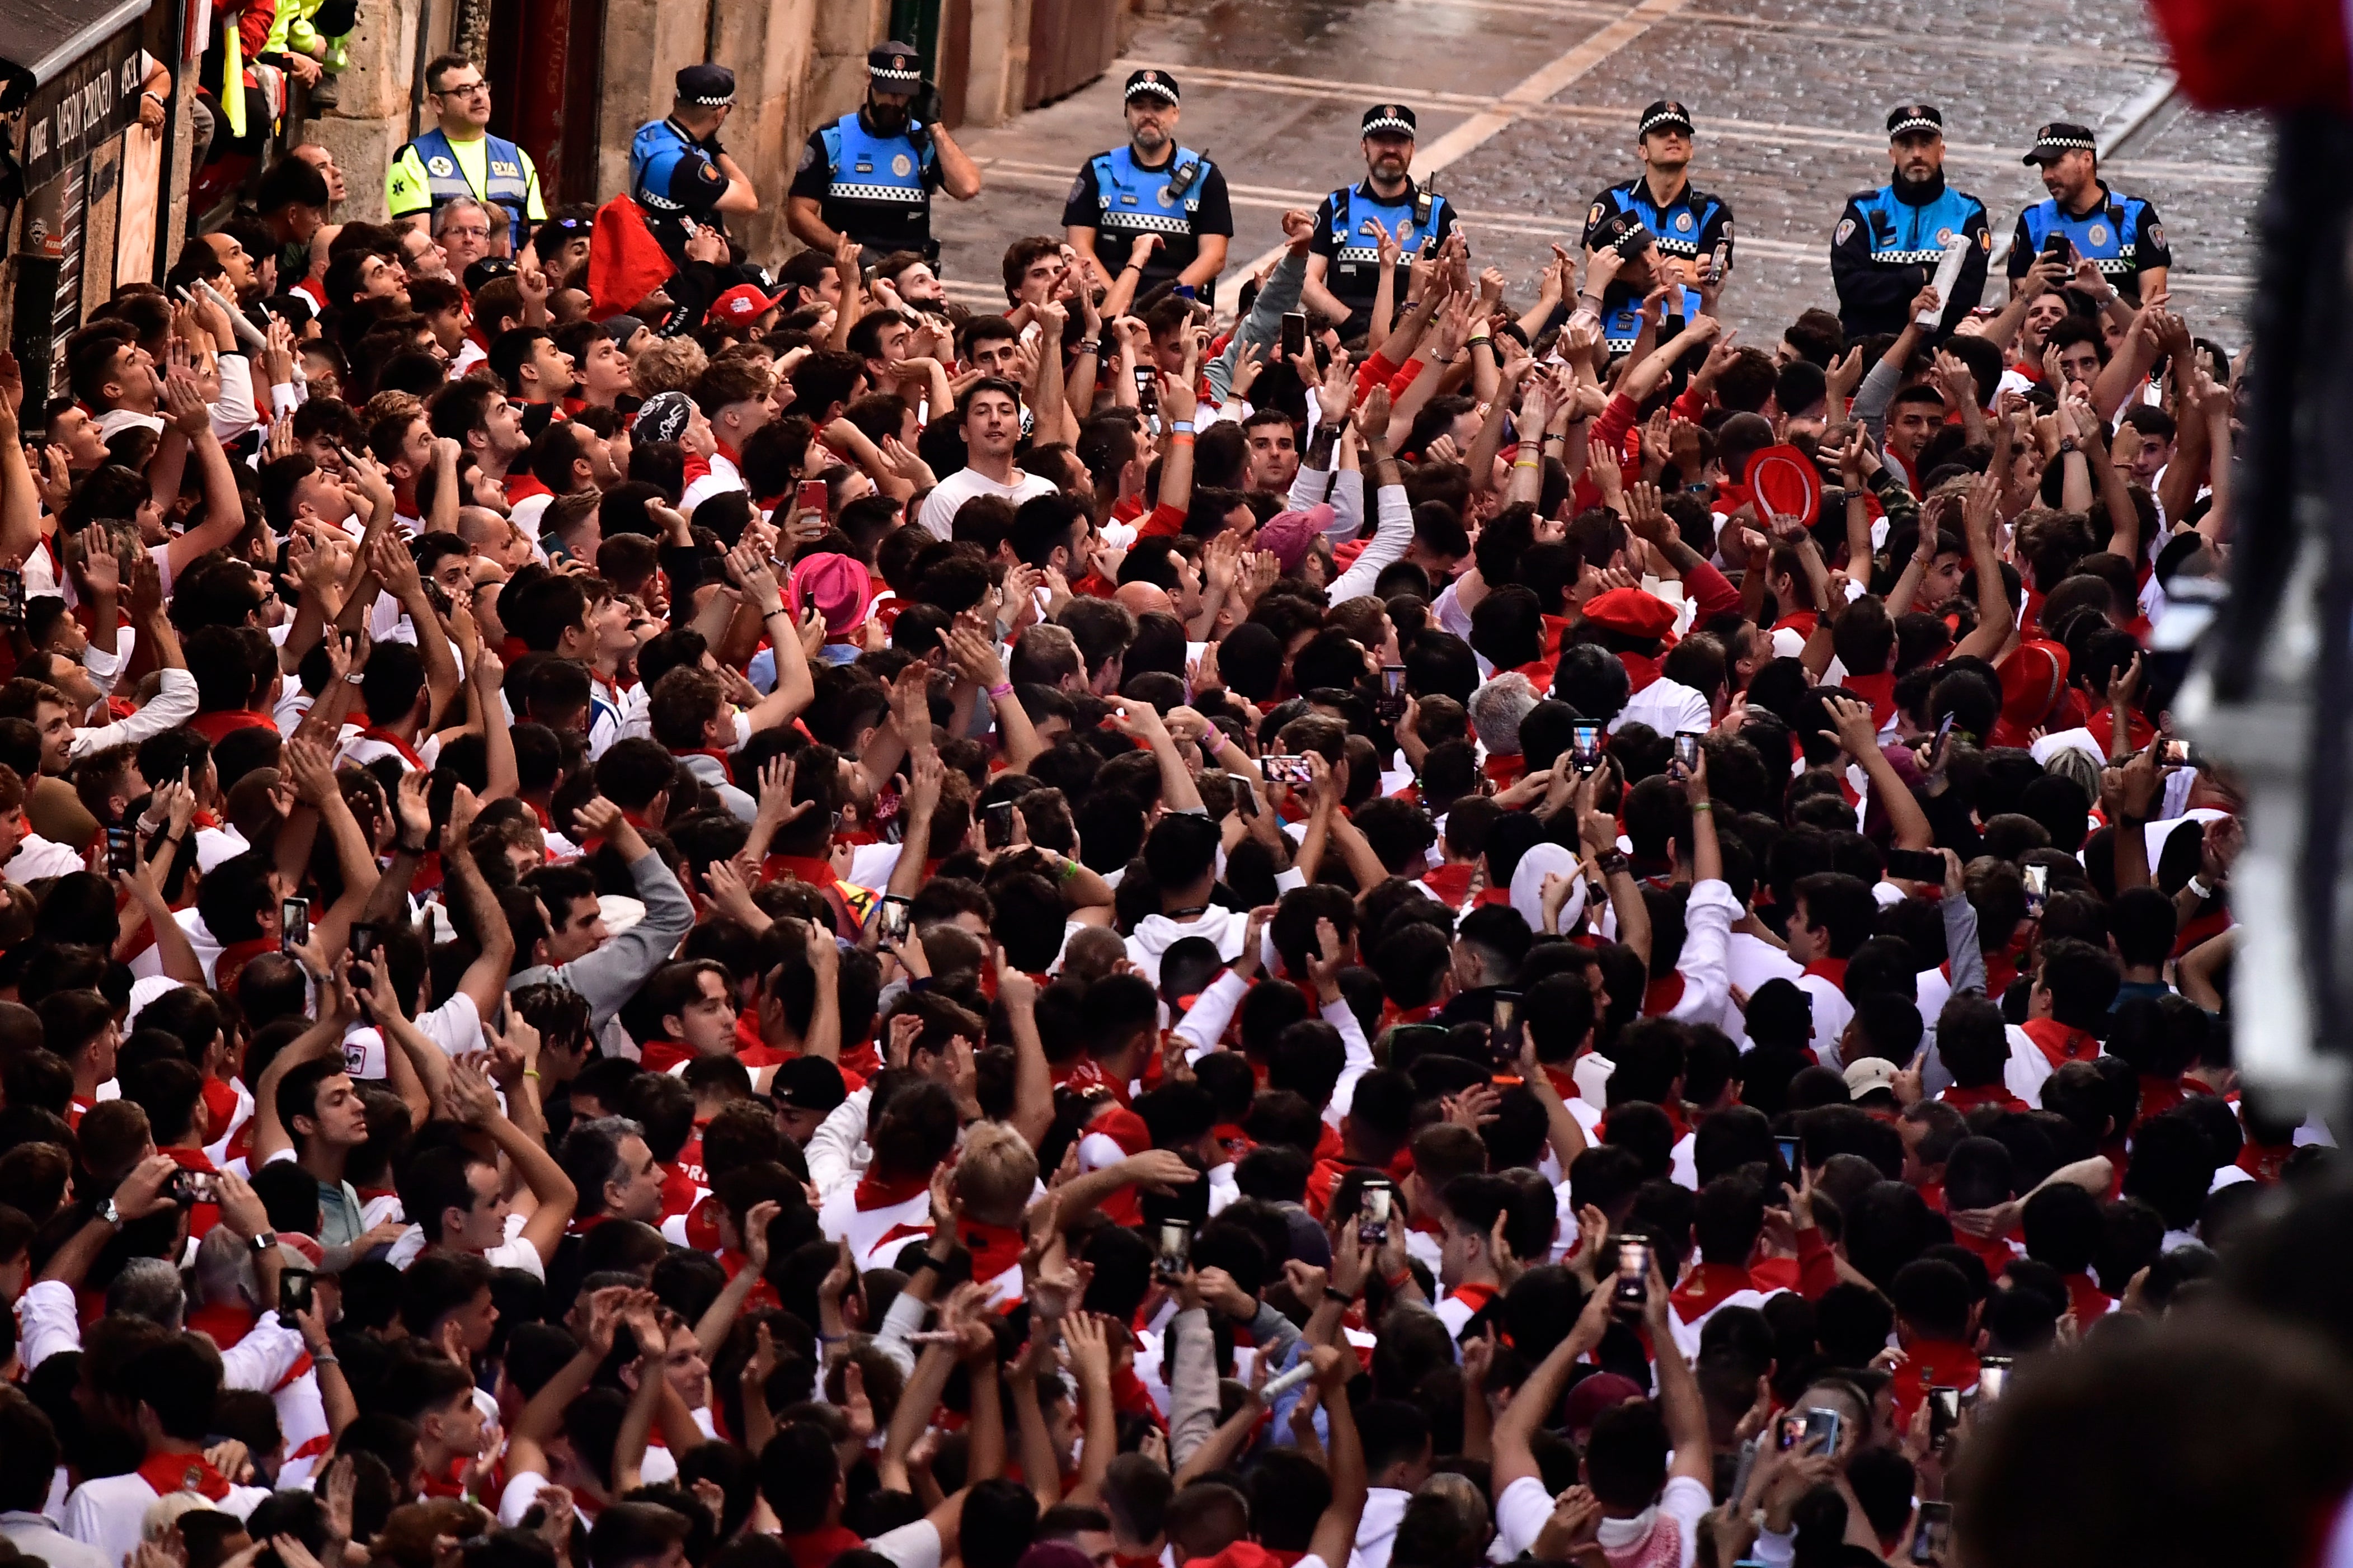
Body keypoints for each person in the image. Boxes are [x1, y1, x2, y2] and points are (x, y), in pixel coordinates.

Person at [787, 43, 982, 261]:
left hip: (910, 271)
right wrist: (851, 251)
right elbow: (799, 213)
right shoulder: (833, 138)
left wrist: (935, 126)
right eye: (886, 91)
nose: (893, 101)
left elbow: (967, 187)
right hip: (849, 268)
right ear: (869, 79)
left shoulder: (924, 142)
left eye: (902, 94)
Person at [1062, 69, 1233, 304]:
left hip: (1175, 311)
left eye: (1159, 107)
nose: (1148, 115)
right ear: (1126, 113)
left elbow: (1214, 257)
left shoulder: (1205, 176)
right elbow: (1078, 245)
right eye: (1139, 107)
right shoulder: (1099, 171)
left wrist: (1165, 306)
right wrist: (1116, 300)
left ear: (1176, 114)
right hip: (1106, 308)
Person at [1830, 102, 1989, 337]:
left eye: (1925, 144)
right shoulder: (1864, 209)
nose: (1916, 154)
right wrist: (1917, 279)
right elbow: (1851, 287)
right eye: (1906, 145)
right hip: (1870, 349)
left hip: (1935, 353)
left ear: (1941, 151)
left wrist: (1887, 290)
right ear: (1893, 154)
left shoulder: (1967, 213)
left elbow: (1965, 295)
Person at [1304, 103, 1459, 337]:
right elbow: (1307, 284)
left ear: (1412, 149)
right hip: (1344, 347)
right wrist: (1355, 327)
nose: (1390, 149)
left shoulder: (1438, 212)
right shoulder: (1337, 207)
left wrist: (1409, 329)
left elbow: (1457, 289)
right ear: (1364, 147)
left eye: (1399, 142)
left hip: (1411, 346)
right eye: (1380, 141)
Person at [386, 53, 548, 253]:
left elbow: (539, 237)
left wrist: (517, 276)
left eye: (481, 86)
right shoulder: (414, 158)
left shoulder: (517, 157)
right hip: (448, 280)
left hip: (509, 278)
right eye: (465, 91)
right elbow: (417, 245)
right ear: (438, 104)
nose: (479, 96)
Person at [1582, 100, 1732, 313]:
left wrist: (1636, 264)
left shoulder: (1712, 212)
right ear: (1642, 151)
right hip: (1620, 321)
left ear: (1691, 150)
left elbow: (1705, 279)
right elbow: (1598, 264)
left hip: (1685, 326)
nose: (1673, 138)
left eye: (1681, 134)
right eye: (1662, 134)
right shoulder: (1614, 202)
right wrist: (1680, 268)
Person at [2007, 120, 2172, 308]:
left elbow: (2151, 308)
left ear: (2086, 159)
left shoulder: (2135, 215)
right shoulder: (2033, 221)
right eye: (2043, 167)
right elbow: (2020, 313)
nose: (2047, 176)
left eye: (2055, 164)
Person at [627, 64, 760, 269]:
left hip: (653, 247)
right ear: (720, 113)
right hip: (680, 267)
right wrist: (717, 150)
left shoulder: (651, 131)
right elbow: (748, 202)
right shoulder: (685, 166)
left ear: (676, 101)